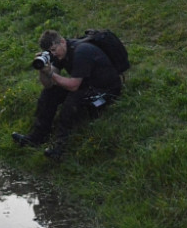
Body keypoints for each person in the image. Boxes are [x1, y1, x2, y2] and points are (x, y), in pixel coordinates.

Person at [12, 29, 122, 159]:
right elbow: (48, 84)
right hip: (85, 85)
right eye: (50, 52)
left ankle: (60, 148)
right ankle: (37, 137)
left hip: (105, 90)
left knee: (72, 101)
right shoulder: (60, 53)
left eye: (54, 50)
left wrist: (51, 74)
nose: (53, 54)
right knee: (49, 93)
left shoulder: (81, 52)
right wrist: (42, 70)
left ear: (62, 42)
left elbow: (73, 86)